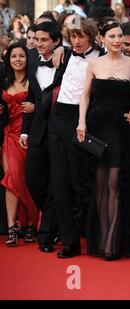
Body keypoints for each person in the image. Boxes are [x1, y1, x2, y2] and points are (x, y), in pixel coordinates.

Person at [76, 18, 130, 261]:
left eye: (119, 35)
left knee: (115, 184)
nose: (116, 40)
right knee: (100, 184)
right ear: (102, 39)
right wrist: (81, 122)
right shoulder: (93, 64)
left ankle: (112, 240)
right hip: (97, 128)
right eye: (111, 36)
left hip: (121, 131)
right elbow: (85, 96)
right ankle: (102, 239)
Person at [48, 18, 104, 259]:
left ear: (91, 36)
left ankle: (94, 238)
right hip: (57, 119)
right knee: (59, 185)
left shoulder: (101, 57)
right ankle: (70, 241)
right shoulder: (65, 53)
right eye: (73, 36)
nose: (77, 41)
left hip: (82, 122)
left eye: (82, 36)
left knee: (82, 184)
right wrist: (61, 48)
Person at [20, 22, 66, 254]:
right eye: (36, 39)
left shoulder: (68, 60)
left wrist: (64, 49)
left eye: (44, 40)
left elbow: (92, 49)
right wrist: (25, 131)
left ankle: (46, 233)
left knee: (57, 182)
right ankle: (52, 219)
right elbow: (30, 97)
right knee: (34, 180)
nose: (38, 43)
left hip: (61, 131)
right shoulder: (32, 61)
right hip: (37, 131)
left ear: (57, 41)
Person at [1, 43, 39, 246]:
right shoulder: (3, 80)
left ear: (27, 59)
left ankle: (31, 225)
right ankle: (12, 228)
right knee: (11, 180)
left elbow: (44, 102)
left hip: (29, 137)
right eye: (13, 56)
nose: (17, 59)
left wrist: (35, 106)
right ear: (8, 60)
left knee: (28, 181)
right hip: (9, 137)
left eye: (21, 56)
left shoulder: (34, 81)